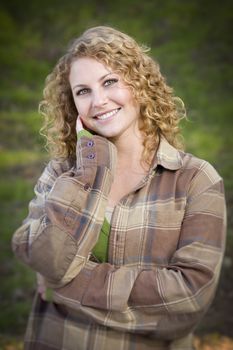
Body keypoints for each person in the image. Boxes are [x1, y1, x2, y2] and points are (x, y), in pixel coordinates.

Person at [12, 26, 226, 350]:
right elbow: (45, 257)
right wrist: (89, 169)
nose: (98, 101)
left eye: (109, 82)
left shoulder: (195, 180)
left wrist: (66, 287)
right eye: (82, 91)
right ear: (72, 105)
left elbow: (188, 299)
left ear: (139, 84)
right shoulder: (61, 173)